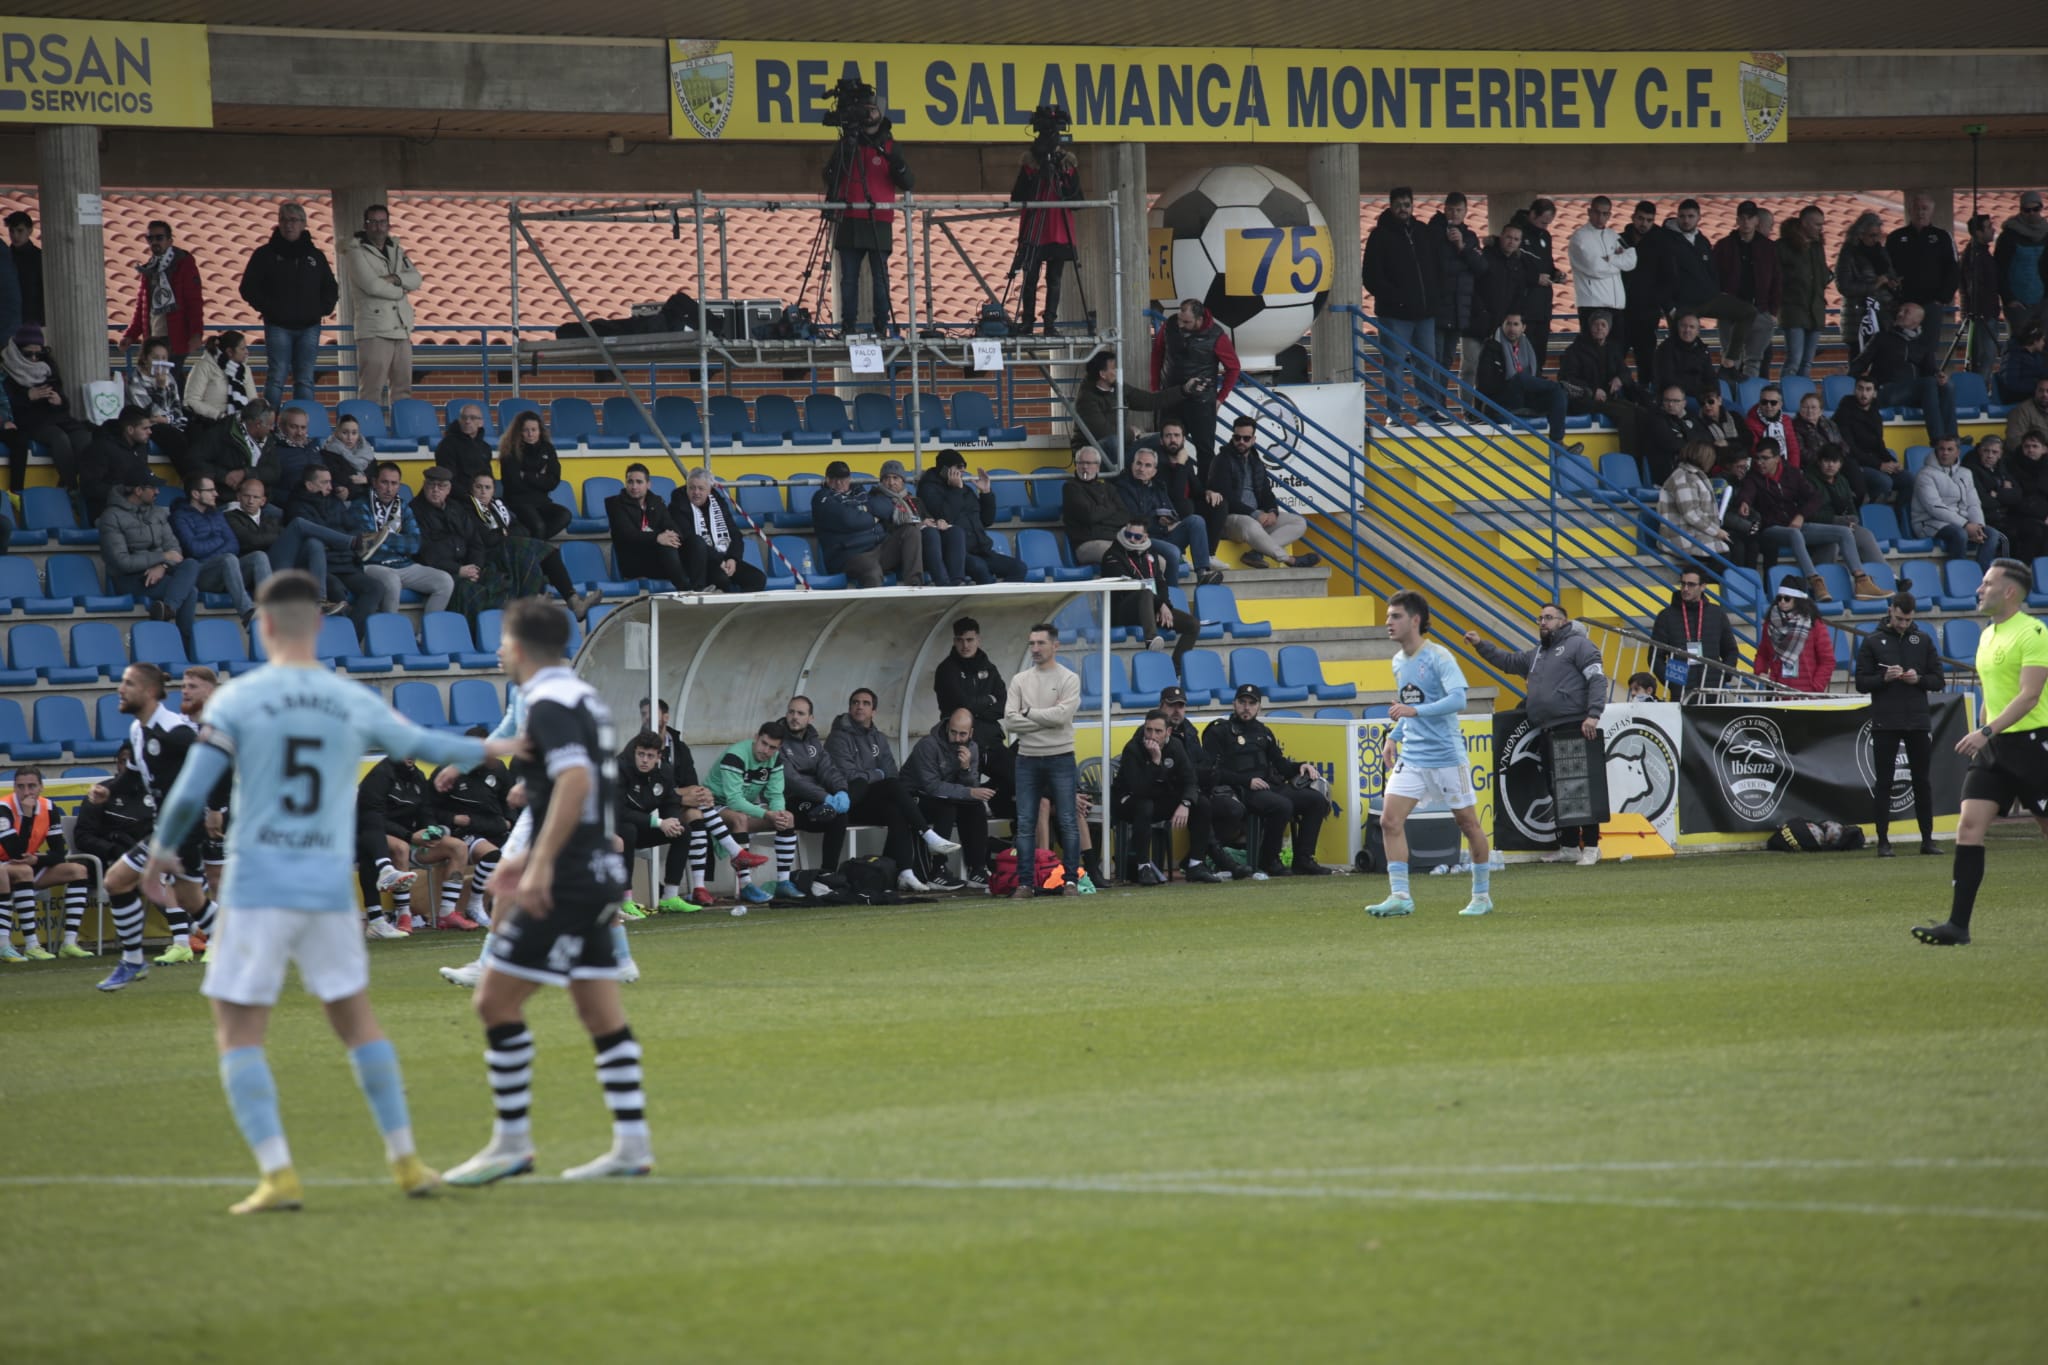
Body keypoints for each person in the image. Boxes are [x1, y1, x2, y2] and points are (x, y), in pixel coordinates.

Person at [140, 572, 518, 1210]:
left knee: (238, 1030)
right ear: (318, 625)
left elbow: (189, 791)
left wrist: (157, 856)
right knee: (358, 1023)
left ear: (261, 626)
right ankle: (406, 1160)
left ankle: (278, 1174)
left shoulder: (238, 700)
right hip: (323, 883)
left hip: (259, 879)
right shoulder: (348, 697)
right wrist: (509, 743)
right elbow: (426, 745)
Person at [446, 596, 654, 1184]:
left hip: (566, 876)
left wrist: (537, 866)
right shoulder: (578, 694)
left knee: (494, 1002)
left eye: (502, 639)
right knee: (598, 1009)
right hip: (594, 873)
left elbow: (576, 777)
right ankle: (632, 1146)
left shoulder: (546, 699)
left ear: (519, 646)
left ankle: (511, 1144)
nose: (497, 649)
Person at [1912, 558, 2048, 946]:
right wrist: (1984, 734)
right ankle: (1958, 926)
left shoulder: (2034, 632)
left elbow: (2030, 695)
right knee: (1969, 828)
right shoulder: (1988, 634)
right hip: (1995, 748)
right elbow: (1992, 692)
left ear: (2009, 591)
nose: (1979, 589)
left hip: (2034, 745)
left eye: (1987, 583)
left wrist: (1985, 730)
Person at [89, 662, 224, 989]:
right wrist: (110, 790)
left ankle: (132, 961)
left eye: (128, 684)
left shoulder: (175, 731)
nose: (120, 690)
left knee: (116, 880)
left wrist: (216, 809)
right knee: (192, 899)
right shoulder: (138, 730)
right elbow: (134, 773)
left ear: (149, 692)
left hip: (182, 826)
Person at [1366, 590, 1493, 917]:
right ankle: (1400, 896)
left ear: (1415, 620)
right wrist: (1394, 736)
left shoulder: (1439, 656)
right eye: (1388, 616)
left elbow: (1458, 700)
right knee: (1389, 820)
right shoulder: (1397, 661)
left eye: (1395, 616)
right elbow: (1407, 702)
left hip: (1447, 756)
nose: (1388, 622)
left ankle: (1481, 896)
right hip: (1414, 756)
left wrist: (1415, 712)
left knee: (1467, 824)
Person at [1465, 607, 1609, 863]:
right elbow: (1508, 662)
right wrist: (1480, 645)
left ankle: (1591, 846)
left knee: (1580, 788)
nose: (1542, 622)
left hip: (1573, 724)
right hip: (1546, 727)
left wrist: (1593, 714)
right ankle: (1568, 846)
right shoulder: (1539, 652)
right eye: (1540, 618)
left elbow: (1598, 679)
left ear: (1564, 622)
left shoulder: (1580, 645)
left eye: (1548, 618)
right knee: (1558, 788)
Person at [827, 688, 960, 892]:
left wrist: (875, 774)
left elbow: (891, 771)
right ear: (849, 707)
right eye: (855, 702)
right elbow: (850, 775)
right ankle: (927, 834)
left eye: (865, 703)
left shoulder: (879, 738)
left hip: (875, 799)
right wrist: (877, 774)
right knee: (891, 788)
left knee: (896, 808)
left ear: (874, 711)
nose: (859, 706)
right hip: (851, 801)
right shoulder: (838, 737)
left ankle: (905, 872)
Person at [1201, 683, 1331, 878]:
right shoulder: (1219, 731)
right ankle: (1269, 859)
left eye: (1252, 703)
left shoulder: (1263, 732)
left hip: (1269, 786)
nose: (1247, 707)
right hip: (1240, 790)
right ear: (1234, 704)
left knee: (1316, 800)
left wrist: (1300, 766)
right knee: (1282, 805)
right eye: (1242, 702)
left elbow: (1280, 765)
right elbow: (1212, 772)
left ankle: (1303, 860)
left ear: (1259, 707)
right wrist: (1246, 781)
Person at [1739, 439, 1887, 603]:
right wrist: (1745, 502)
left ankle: (1862, 582)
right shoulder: (1753, 478)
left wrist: (1801, 515)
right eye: (1757, 458)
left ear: (1777, 458)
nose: (1760, 462)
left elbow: (1814, 498)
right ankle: (1815, 581)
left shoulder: (1792, 474)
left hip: (1796, 523)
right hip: (1771, 529)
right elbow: (1747, 492)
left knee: (1844, 532)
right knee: (1795, 534)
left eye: (1765, 458)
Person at [1854, 593, 1945, 857]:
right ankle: (1883, 842)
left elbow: (1938, 679)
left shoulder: (1923, 640)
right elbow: (1861, 683)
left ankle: (1927, 840)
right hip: (1886, 721)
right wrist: (1884, 677)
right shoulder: (1872, 641)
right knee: (1884, 782)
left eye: (1907, 619)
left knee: (1922, 782)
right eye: (1899, 618)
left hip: (1917, 720)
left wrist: (1919, 679)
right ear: (1890, 611)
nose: (1903, 624)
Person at [821, 91, 913, 334]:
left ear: (881, 112)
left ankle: (881, 324)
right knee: (848, 278)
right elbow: (830, 176)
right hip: (849, 218)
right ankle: (847, 326)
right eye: (865, 109)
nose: (868, 114)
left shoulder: (891, 145)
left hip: (878, 219)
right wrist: (848, 148)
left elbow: (908, 182)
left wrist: (896, 163)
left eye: (872, 110)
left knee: (880, 278)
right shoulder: (847, 144)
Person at [1002, 626, 1084, 898]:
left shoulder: (1069, 678)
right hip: (1027, 758)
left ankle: (1070, 881)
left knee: (1068, 820)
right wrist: (1045, 719)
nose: (1035, 648)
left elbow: (1062, 718)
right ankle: (1026, 884)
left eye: (1040, 643)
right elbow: (1011, 721)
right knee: (1025, 822)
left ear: (1055, 646)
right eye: (1031, 643)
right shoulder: (1020, 680)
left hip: (1061, 756)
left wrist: (1029, 714)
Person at [238, 202, 338, 409]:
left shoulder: (315, 256)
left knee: (305, 379)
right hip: (278, 326)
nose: (288, 225)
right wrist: (269, 308)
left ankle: (302, 428)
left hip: (310, 326)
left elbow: (330, 287)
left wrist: (322, 309)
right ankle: (269, 426)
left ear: (303, 224)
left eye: (293, 220)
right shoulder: (264, 254)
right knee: (276, 376)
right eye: (283, 219)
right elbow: (247, 287)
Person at [458, 470, 594, 620]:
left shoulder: (499, 507)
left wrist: (503, 533)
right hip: (490, 556)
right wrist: (505, 533)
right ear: (472, 489)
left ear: (493, 490)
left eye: (487, 487)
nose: (483, 491)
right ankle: (533, 603)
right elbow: (486, 539)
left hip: (510, 551)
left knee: (544, 551)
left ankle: (574, 602)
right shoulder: (467, 510)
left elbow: (522, 529)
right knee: (531, 550)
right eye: (479, 487)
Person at [1361, 186, 1446, 422]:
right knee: (1394, 364)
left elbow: (1437, 268)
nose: (1403, 209)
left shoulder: (1423, 232)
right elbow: (1371, 276)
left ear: (1412, 206)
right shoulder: (1379, 236)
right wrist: (1397, 299)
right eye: (1398, 205)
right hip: (1394, 315)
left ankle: (1428, 411)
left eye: (1406, 204)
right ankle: (1394, 413)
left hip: (1425, 315)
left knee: (1427, 362)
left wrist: (1433, 298)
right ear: (1391, 206)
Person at [1112, 710, 1219, 885]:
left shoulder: (1175, 746)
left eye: (1158, 731)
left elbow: (1191, 779)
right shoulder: (1133, 748)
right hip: (1129, 802)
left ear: (1168, 732)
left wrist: (1185, 803)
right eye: (1148, 730)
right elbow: (1139, 789)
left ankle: (1196, 865)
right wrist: (1155, 761)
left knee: (1202, 804)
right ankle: (1143, 867)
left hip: (1158, 799)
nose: (1152, 736)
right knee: (1144, 805)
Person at [1670, 198, 1770, 381]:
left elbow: (1713, 271)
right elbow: (1661, 276)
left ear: (1699, 217)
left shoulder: (1702, 241)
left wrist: (1717, 291)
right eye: (1682, 216)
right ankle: (1679, 378)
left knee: (1747, 311)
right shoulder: (1668, 241)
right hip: (1685, 302)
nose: (1686, 220)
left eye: (1690, 216)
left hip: (1710, 297)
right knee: (1683, 334)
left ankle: (1729, 363)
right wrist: (1670, 306)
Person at [0, 766, 94, 963]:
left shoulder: (49, 807)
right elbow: (15, 852)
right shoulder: (4, 808)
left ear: (41, 787)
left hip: (27, 865)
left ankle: (69, 943)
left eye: (32, 786)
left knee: (77, 870)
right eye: (21, 787)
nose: (27, 792)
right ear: (14, 788)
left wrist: (37, 860)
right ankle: (31, 945)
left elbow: (59, 853)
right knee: (24, 869)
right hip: (4, 865)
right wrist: (27, 815)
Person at [1158, 684, 1250, 879]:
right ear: (1161, 706)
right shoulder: (1156, 731)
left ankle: (1196, 857)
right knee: (1203, 806)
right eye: (1172, 705)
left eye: (1181, 706)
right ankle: (1214, 858)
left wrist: (1210, 773)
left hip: (1196, 788)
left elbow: (1201, 761)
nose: (1177, 711)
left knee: (1233, 809)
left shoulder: (1189, 730)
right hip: (1170, 792)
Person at [705, 721, 794, 907]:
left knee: (788, 818)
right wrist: (766, 814)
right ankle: (746, 885)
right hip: (712, 805)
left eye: (772, 748)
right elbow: (734, 800)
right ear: (756, 737)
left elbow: (775, 794)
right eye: (764, 744)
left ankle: (783, 882)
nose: (766, 751)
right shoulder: (736, 755)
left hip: (744, 806)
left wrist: (778, 813)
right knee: (740, 818)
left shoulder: (775, 759)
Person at [1209, 416, 1317, 568]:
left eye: (1246, 438)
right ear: (1232, 437)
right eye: (1237, 437)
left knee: (1298, 522)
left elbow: (1267, 493)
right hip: (1232, 520)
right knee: (1251, 524)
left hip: (1257, 517)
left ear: (1253, 440)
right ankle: (1289, 560)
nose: (1241, 441)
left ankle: (1256, 553)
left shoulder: (1256, 462)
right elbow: (1227, 499)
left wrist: (1272, 511)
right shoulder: (1222, 460)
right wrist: (1255, 514)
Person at [342, 203, 421, 409]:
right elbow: (371, 285)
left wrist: (395, 278)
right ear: (366, 225)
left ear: (389, 224)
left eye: (383, 222)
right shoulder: (355, 251)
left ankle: (402, 436)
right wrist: (400, 288)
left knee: (403, 390)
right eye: (374, 222)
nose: (379, 227)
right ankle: (368, 436)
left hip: (401, 328)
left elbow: (416, 279)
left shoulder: (396, 249)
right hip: (374, 330)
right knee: (371, 390)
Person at [99, 481, 203, 638]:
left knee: (191, 564)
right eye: (153, 488)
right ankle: (185, 647)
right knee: (190, 591)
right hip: (130, 579)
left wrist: (163, 566)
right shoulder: (111, 516)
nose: (158, 492)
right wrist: (162, 556)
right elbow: (123, 562)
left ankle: (167, 609)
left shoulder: (158, 512)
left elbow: (175, 550)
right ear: (138, 490)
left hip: (161, 572)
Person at [284, 464, 382, 631]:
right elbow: (316, 536)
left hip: (345, 563)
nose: (331, 486)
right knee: (337, 591)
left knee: (375, 588)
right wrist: (340, 537)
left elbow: (355, 528)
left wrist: (340, 540)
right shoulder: (296, 506)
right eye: (325, 482)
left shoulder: (334, 502)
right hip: (323, 569)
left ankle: (352, 638)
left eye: (330, 482)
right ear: (310, 485)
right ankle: (343, 640)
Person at [903, 708, 992, 888]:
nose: (958, 738)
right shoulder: (928, 745)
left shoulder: (972, 747)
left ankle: (977, 869)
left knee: (975, 807)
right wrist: (969, 792)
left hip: (945, 796)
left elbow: (971, 785)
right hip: (914, 797)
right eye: (953, 732)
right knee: (947, 807)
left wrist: (966, 769)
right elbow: (932, 786)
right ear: (947, 728)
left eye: (963, 734)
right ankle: (936, 870)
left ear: (971, 733)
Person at [352, 461, 454, 614]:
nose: (389, 488)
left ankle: (424, 634)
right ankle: (389, 633)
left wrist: (383, 538)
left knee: (444, 581)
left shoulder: (403, 506)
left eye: (394, 483)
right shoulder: (361, 505)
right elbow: (368, 546)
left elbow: (415, 544)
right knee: (392, 581)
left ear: (399, 486)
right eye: (384, 482)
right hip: (373, 565)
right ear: (374, 482)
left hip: (403, 565)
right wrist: (398, 541)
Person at [934, 616, 1014, 810]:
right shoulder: (946, 670)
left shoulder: (989, 667)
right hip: (961, 745)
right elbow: (962, 706)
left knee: (1019, 779)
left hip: (991, 740)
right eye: (960, 640)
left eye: (969, 640)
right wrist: (988, 700)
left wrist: (977, 707)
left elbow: (1004, 703)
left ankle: (994, 804)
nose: (965, 645)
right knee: (967, 798)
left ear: (978, 640)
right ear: (954, 641)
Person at [1852, 301, 1961, 442]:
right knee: (1928, 384)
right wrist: (1849, 376)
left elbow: (1930, 369)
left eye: (1906, 312)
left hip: (1914, 392)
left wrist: (1938, 375)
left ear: (1917, 320)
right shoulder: (1882, 337)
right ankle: (1938, 440)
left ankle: (1952, 438)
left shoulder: (1923, 342)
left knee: (1947, 385)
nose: (1900, 314)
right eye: (1900, 310)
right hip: (1887, 390)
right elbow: (1860, 362)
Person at [1149, 298, 1242, 462]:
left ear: (1199, 319)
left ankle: (1205, 487)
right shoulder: (1169, 326)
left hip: (1201, 401)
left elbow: (1233, 367)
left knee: (1205, 450)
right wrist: (1155, 387)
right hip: (1170, 397)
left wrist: (1220, 398)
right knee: (1165, 447)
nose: (1181, 325)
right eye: (1179, 319)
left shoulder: (1216, 335)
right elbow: (1157, 354)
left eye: (1186, 322)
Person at [917, 449, 1026, 584]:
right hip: (958, 554)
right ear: (945, 469)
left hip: (982, 550)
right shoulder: (928, 489)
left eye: (964, 466)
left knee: (1018, 568)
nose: (962, 470)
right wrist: (955, 490)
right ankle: (987, 602)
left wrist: (986, 493)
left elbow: (986, 521)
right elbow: (945, 516)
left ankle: (1000, 602)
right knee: (980, 568)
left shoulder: (966, 490)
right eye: (958, 467)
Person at [1117, 445, 1220, 584]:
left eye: (1147, 466)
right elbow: (1134, 521)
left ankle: (1202, 573)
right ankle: (1171, 593)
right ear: (1132, 465)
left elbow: (1172, 512)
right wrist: (1162, 527)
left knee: (1196, 520)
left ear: (1154, 471)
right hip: (1144, 539)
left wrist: (1172, 521)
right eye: (1139, 464)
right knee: (1172, 552)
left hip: (1165, 535)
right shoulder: (1123, 487)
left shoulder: (1159, 486)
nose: (1142, 469)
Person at [2, 323, 92, 483]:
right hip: (31, 422)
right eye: (28, 354)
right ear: (18, 351)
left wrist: (58, 401)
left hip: (58, 418)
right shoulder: (8, 371)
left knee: (84, 438)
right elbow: (6, 405)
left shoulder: (47, 367)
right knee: (59, 439)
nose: (34, 358)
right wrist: (28, 397)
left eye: (39, 353)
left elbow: (64, 401)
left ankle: (75, 486)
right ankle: (70, 486)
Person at [812, 459, 921, 588]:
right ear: (827, 480)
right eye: (835, 479)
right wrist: (872, 517)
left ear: (849, 478)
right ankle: (875, 608)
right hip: (850, 555)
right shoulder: (822, 498)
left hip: (878, 548)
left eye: (844, 478)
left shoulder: (859, 492)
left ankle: (914, 586)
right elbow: (848, 520)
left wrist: (861, 511)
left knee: (910, 532)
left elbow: (886, 506)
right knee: (872, 570)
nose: (840, 483)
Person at [1009, 137, 1079, 336]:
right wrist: (1037, 175)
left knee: (1053, 278)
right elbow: (1018, 195)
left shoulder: (1066, 166)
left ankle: (1049, 322)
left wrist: (1063, 174)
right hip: (1035, 228)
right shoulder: (1030, 168)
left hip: (1057, 227)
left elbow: (1076, 198)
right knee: (1030, 277)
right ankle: (1028, 322)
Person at [1103, 520, 1199, 665]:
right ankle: (1151, 639)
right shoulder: (1112, 555)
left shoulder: (1150, 553)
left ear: (1145, 536)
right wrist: (1159, 604)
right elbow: (1127, 586)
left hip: (1151, 606)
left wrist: (1165, 605)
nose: (1131, 539)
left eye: (1136, 536)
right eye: (1128, 534)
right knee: (1143, 590)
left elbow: (1160, 582)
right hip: (1123, 610)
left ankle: (1176, 670)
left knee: (1192, 625)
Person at [778, 696, 852, 878]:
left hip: (814, 798)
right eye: (791, 712)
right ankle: (823, 876)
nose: (794, 717)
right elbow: (791, 779)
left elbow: (828, 770)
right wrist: (825, 797)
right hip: (789, 800)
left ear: (810, 718)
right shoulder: (777, 739)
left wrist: (841, 790)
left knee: (839, 816)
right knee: (832, 815)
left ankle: (827, 874)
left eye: (800, 713)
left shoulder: (813, 741)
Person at [1476, 311, 1572, 451]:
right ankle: (1558, 385)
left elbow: (1536, 378)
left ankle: (1557, 442)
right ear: (1502, 325)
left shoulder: (1528, 347)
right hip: (1500, 400)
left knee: (1558, 393)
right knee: (1521, 378)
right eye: (1508, 324)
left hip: (1526, 398)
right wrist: (1512, 383)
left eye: (1516, 324)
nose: (1511, 328)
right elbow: (1484, 385)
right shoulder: (1491, 348)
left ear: (1523, 327)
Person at [1912, 435, 2008, 569]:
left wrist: (1978, 526)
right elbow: (1934, 507)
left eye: (1950, 449)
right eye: (1941, 449)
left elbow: (1973, 503)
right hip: (1929, 522)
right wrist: (1966, 525)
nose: (1945, 453)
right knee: (1960, 534)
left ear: (1957, 452)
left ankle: (1982, 574)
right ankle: (1959, 573)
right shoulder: (1925, 475)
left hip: (1962, 523)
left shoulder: (1965, 473)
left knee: (1992, 534)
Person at [170, 474, 255, 624]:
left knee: (258, 557)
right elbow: (194, 549)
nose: (216, 494)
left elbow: (234, 545)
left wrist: (214, 550)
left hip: (223, 570)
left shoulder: (216, 513)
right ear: (196, 494)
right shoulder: (179, 516)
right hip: (200, 574)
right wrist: (219, 540)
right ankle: (247, 613)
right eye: (210, 490)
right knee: (227, 559)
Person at [1711, 201, 1781, 381]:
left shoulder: (1768, 248)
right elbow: (1713, 277)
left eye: (1750, 218)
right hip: (1730, 312)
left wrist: (1773, 312)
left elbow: (1777, 280)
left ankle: (1749, 399)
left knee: (1754, 360)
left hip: (1759, 311)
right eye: (1742, 218)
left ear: (1757, 220)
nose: (1746, 222)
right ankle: (1732, 397)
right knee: (1730, 358)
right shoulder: (1724, 246)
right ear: (1737, 220)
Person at [119, 220, 205, 366]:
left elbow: (194, 302)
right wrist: (130, 335)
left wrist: (196, 334)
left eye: (159, 238)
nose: (154, 242)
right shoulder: (149, 268)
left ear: (170, 240)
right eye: (150, 238)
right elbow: (142, 307)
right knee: (155, 380)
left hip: (175, 338)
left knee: (170, 379)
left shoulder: (183, 265)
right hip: (153, 338)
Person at [1649, 565, 1743, 697]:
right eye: (1683, 584)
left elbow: (1731, 651)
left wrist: (1723, 675)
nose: (1685, 589)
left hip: (1713, 689)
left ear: (1703, 586)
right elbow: (1655, 656)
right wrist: (1672, 682)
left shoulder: (1716, 613)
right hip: (1681, 691)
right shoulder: (1666, 616)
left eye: (1691, 585)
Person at [1886, 193, 1960, 358]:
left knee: (1928, 351)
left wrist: (1942, 298)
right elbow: (1886, 269)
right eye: (1917, 209)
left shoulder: (1942, 237)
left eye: (1924, 209)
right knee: (1900, 349)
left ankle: (1926, 382)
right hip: (1903, 305)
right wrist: (1894, 295)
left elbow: (1953, 270)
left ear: (1931, 211)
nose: (1921, 213)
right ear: (1910, 211)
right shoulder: (1895, 237)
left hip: (1931, 304)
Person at [1064, 445, 1160, 570]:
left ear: (1098, 467)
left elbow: (1124, 517)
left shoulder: (1108, 488)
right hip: (1088, 544)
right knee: (1124, 558)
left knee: (1158, 562)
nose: (1084, 467)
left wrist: (1100, 514)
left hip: (1117, 541)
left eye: (1089, 463)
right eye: (1080, 463)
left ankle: (1155, 589)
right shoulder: (1071, 488)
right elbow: (1089, 516)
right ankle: (1133, 589)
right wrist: (1110, 508)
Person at [674, 466, 769, 593]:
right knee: (722, 579)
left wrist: (733, 559)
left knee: (758, 578)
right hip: (698, 563)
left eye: (701, 488)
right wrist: (719, 560)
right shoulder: (678, 506)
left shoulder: (719, 503)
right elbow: (690, 538)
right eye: (691, 488)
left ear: (709, 490)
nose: (696, 492)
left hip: (724, 558)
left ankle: (738, 608)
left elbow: (735, 534)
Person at [1556, 310, 1640, 452]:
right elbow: (1566, 379)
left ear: (1609, 329)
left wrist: (1620, 379)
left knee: (1640, 412)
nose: (1599, 328)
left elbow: (1625, 371)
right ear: (1589, 328)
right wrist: (1593, 391)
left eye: (1603, 325)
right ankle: (1629, 457)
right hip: (1584, 400)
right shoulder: (1575, 350)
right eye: (1596, 325)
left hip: (1608, 398)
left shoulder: (1612, 348)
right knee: (1626, 415)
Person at [1567, 196, 1636, 367]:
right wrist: (1618, 263)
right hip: (1593, 303)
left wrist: (1609, 259)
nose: (1600, 217)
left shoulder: (1613, 235)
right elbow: (1594, 268)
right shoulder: (1580, 238)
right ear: (1589, 212)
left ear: (1610, 214)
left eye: (1605, 214)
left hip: (1616, 305)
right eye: (1597, 213)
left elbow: (1632, 260)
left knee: (1616, 353)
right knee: (1593, 355)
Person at [1428, 192, 1487, 378]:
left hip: (1459, 309)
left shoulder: (1469, 237)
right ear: (1444, 210)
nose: (1454, 214)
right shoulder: (1432, 234)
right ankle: (1431, 403)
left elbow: (1481, 267)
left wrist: (1461, 247)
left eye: (1458, 210)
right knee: (1433, 359)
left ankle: (1441, 401)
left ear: (1466, 212)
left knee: (1447, 360)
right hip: (1437, 308)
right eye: (1451, 210)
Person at [1620, 200, 1679, 385]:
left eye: (1648, 220)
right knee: (1614, 358)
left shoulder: (1661, 243)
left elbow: (1669, 277)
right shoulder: (1620, 240)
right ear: (1633, 217)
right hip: (1620, 310)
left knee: (1646, 360)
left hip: (1647, 312)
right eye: (1640, 218)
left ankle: (1646, 397)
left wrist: (1657, 301)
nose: (1643, 223)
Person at [1465, 222, 1531, 386]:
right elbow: (1471, 287)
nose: (1511, 241)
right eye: (1508, 237)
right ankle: (1468, 410)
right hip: (1475, 325)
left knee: (1498, 371)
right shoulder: (1484, 257)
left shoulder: (1518, 265)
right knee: (1470, 368)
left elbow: (1518, 296)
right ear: (1500, 236)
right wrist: (1481, 312)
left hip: (1500, 329)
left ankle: (1489, 410)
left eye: (1516, 239)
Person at [1071, 351, 1163, 468]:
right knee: (1112, 442)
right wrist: (1131, 433)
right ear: (1103, 374)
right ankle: (1120, 482)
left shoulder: (1118, 388)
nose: (1118, 372)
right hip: (1093, 453)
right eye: (1114, 368)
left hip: (1122, 447)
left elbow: (1150, 400)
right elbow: (1105, 434)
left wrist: (1183, 391)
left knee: (1161, 440)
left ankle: (1151, 483)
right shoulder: (1086, 399)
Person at [607, 462, 690, 592]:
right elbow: (628, 534)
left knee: (695, 542)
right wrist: (657, 537)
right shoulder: (616, 504)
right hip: (634, 561)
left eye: (639, 482)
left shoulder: (656, 501)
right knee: (667, 548)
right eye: (630, 482)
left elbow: (671, 525)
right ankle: (686, 590)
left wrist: (671, 536)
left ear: (648, 484)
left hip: (658, 559)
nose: (634, 486)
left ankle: (701, 586)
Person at [1657, 439, 1735, 573]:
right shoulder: (1683, 477)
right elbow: (1691, 514)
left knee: (1737, 543)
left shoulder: (1695, 475)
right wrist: (1716, 531)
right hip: (1682, 535)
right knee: (1724, 553)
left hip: (1695, 532)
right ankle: (1708, 588)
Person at [1809, 445, 1888, 573]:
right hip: (1818, 528)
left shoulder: (1842, 480)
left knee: (1865, 534)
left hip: (1841, 526)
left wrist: (1852, 520)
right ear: (1819, 462)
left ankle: (1889, 576)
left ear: (1840, 464)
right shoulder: (1809, 480)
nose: (1830, 465)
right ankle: (1824, 580)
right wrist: (1837, 521)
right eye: (1826, 461)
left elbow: (1852, 508)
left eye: (1835, 461)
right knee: (1833, 543)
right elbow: (1810, 514)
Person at [869, 459, 949, 583]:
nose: (891, 483)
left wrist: (939, 522)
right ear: (881, 481)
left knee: (953, 532)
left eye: (895, 478)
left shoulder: (914, 500)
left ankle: (953, 580)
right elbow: (887, 529)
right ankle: (937, 581)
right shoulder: (877, 499)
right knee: (919, 532)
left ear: (903, 481)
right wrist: (919, 524)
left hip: (920, 550)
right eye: (886, 478)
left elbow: (929, 519)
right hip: (893, 551)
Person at [1505, 199, 1562, 373]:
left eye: (1548, 223)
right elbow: (1511, 268)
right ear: (1532, 215)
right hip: (1524, 305)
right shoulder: (1517, 234)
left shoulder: (1545, 236)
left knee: (1539, 354)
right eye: (1543, 222)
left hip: (1543, 305)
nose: (1545, 226)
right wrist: (1534, 278)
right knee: (1523, 355)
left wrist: (1556, 274)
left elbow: (1547, 264)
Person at [1833, 375, 1908, 505]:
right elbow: (1851, 449)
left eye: (1868, 389)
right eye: (1860, 389)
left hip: (1873, 461)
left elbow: (1879, 444)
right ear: (1854, 390)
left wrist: (1892, 462)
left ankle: (1900, 517)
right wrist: (1880, 465)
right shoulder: (1844, 412)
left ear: (1874, 393)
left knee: (1909, 479)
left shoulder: (1875, 412)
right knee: (1884, 482)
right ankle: (1866, 512)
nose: (1864, 393)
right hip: (1855, 463)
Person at [1966, 436, 2043, 563]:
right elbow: (1984, 501)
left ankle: (2027, 571)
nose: (1990, 455)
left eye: (1994, 452)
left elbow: (2018, 495)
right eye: (1986, 451)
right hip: (1989, 520)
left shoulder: (2002, 468)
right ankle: (2007, 574)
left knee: (2038, 529)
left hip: (2006, 517)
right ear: (1980, 451)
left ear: (2000, 454)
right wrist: (2005, 494)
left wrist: (1997, 493)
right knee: (2008, 537)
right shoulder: (1972, 470)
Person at [1836, 211, 1900, 364]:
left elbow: (1890, 273)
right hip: (1859, 317)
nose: (1876, 240)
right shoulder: (1849, 254)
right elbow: (1844, 286)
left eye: (1878, 235)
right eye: (1872, 235)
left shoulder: (1881, 252)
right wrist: (1875, 284)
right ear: (1860, 234)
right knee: (1859, 360)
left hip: (1883, 314)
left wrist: (1892, 283)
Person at [496, 410, 570, 541]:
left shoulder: (547, 448)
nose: (530, 434)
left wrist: (526, 475)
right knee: (538, 526)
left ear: (540, 431)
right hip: (518, 501)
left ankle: (531, 545)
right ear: (518, 432)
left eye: (534, 429)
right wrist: (539, 477)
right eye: (526, 430)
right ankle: (537, 552)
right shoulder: (511, 451)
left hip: (542, 501)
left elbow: (553, 481)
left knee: (564, 515)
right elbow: (513, 483)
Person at [1777, 206, 1832, 380]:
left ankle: (1801, 400)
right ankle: (1786, 398)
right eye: (1817, 224)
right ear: (1805, 223)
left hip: (1815, 310)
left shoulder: (1817, 247)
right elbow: (1777, 278)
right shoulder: (1783, 246)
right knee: (1794, 359)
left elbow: (1821, 274)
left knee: (1807, 362)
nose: (1820, 228)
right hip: (1793, 310)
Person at [1753, 584, 1835, 693]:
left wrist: (1816, 687)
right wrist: (1760, 672)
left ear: (1798, 600)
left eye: (1787, 598)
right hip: (1776, 692)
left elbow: (1827, 660)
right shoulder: (1770, 625)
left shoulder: (1815, 625)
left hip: (1806, 695)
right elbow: (1763, 653)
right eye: (1779, 598)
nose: (1782, 601)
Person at [125, 336, 190, 466]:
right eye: (155, 358)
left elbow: (177, 407)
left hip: (170, 422)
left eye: (164, 358)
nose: (161, 362)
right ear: (144, 358)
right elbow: (151, 414)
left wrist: (168, 419)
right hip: (149, 427)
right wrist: (160, 388)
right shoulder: (136, 382)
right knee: (174, 438)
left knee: (198, 432)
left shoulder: (169, 377)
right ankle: (193, 478)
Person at [1994, 191, 2048, 337]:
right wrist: (2009, 299)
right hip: (2018, 302)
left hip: (2043, 302)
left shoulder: (2046, 233)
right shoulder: (2009, 236)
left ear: (2041, 208)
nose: (2031, 213)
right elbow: (1999, 269)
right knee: (2020, 346)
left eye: (2035, 209)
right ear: (2021, 210)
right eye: (2027, 210)